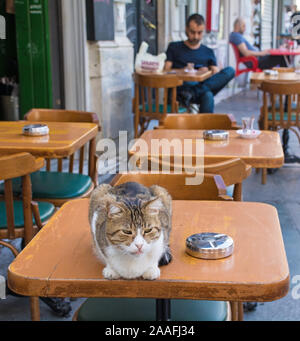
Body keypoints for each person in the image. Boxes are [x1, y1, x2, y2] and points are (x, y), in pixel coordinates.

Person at [164, 13, 235, 113]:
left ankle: (192, 93)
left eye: (199, 33)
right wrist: (184, 71)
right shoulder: (174, 47)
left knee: (230, 71)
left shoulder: (208, 51)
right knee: (208, 95)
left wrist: (211, 71)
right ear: (186, 29)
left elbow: (216, 73)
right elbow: (166, 70)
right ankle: (204, 127)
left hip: (198, 86)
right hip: (180, 88)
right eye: (192, 32)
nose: (196, 36)